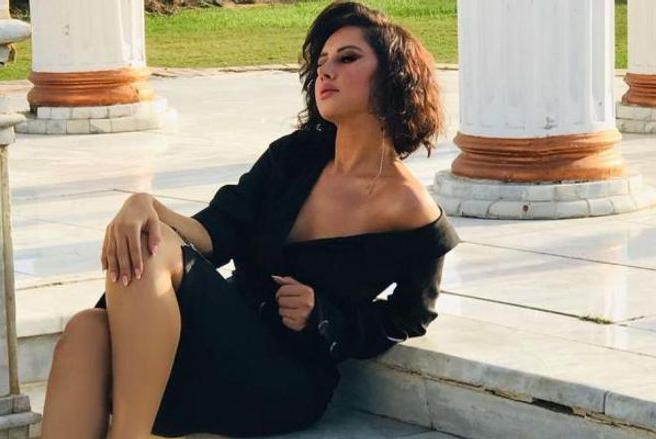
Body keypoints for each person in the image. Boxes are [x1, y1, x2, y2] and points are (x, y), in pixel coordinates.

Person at [40, 2, 460, 438]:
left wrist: (323, 314)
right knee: (88, 328)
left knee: (150, 250)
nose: (326, 71)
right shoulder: (293, 158)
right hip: (221, 339)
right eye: (321, 62)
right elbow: (215, 233)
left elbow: (409, 317)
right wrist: (143, 206)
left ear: (394, 77)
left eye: (347, 58)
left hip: (283, 379)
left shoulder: (414, 211)